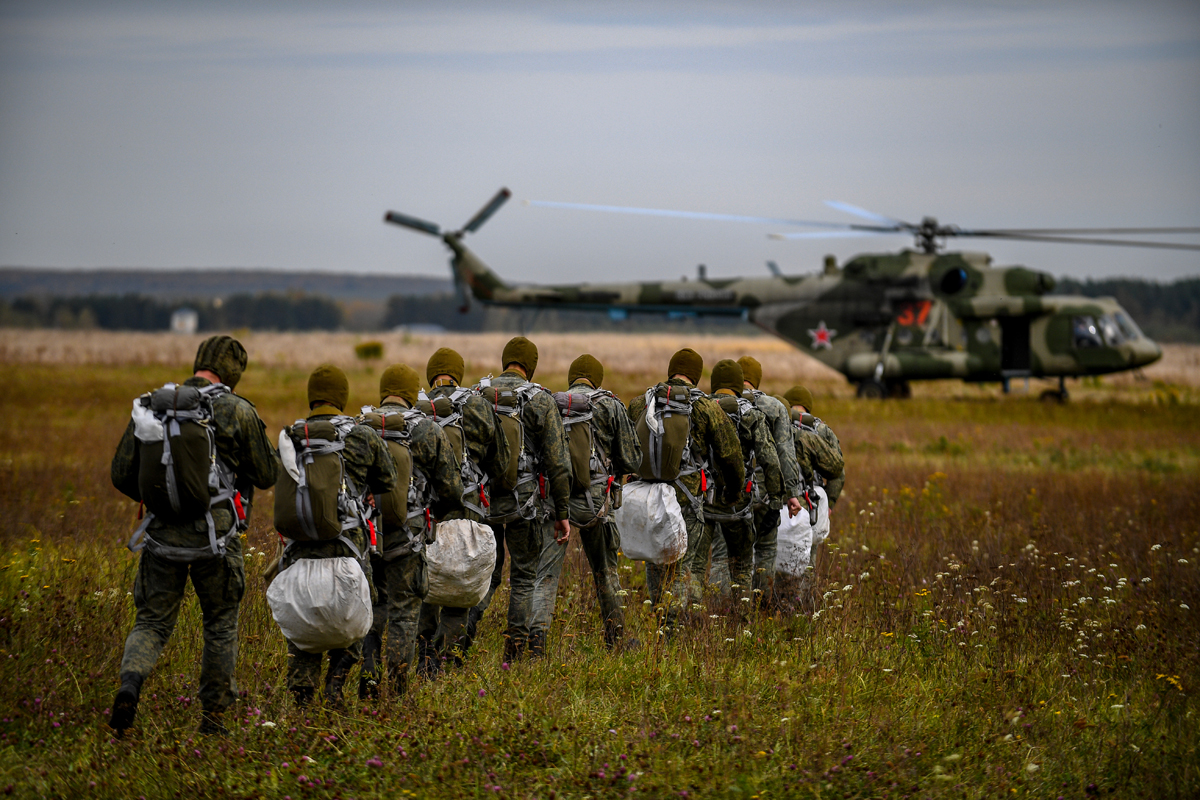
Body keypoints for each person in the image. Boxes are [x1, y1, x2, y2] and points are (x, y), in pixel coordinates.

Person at [109, 335, 278, 736]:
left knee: (150, 621)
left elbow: (120, 474)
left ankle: (130, 684)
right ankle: (213, 719)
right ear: (234, 371)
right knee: (219, 623)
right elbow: (268, 474)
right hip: (216, 540)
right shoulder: (237, 410)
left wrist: (161, 499)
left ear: (199, 361)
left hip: (161, 534)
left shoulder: (153, 405)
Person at [279, 364, 397, 708]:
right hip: (349, 549)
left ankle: (302, 695)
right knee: (357, 617)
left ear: (311, 396)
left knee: (303, 623)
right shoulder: (361, 435)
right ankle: (335, 683)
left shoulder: (291, 436)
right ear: (343, 397)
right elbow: (387, 480)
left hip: (300, 549)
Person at [359, 364, 464, 699]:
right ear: (411, 393)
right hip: (409, 537)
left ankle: (369, 686)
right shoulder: (428, 430)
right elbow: (451, 489)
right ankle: (400, 690)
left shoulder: (361, 428)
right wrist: (431, 516)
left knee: (372, 611)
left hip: (367, 537)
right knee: (405, 613)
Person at [626, 348, 743, 634]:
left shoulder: (642, 402)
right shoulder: (705, 407)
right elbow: (730, 455)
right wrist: (733, 492)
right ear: (696, 374)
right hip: (687, 501)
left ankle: (662, 619)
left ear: (671, 369)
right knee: (683, 568)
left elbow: (626, 448)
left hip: (648, 497)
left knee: (656, 563)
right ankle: (675, 632)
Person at [470, 337, 572, 662]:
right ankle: (513, 654)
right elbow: (558, 463)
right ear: (531, 365)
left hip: (482, 504)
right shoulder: (541, 400)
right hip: (523, 506)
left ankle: (458, 642)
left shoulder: (476, 395)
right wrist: (562, 513)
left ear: (505, 361)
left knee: (486, 574)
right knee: (525, 578)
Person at [532, 354, 643, 650]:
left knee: (545, 577)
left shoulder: (551, 404)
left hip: (556, 502)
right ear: (597, 378)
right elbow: (632, 458)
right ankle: (616, 638)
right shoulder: (611, 405)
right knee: (606, 573)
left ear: (571, 378)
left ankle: (535, 644)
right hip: (599, 504)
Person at [414, 347, 511, 671]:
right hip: (469, 510)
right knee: (461, 587)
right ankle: (447, 658)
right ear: (459, 373)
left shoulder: (417, 409)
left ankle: (422, 655)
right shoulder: (478, 405)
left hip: (425, 515)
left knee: (428, 584)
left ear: (432, 375)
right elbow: (500, 462)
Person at [693, 360, 783, 608]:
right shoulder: (752, 415)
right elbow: (771, 461)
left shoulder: (698, 409)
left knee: (696, 566)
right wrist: (775, 501)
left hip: (703, 504)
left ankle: (692, 618)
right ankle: (741, 619)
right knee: (742, 566)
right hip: (739, 506)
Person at [737, 356, 805, 603]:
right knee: (765, 550)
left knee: (728, 555)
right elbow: (786, 454)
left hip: (730, 495)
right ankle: (762, 607)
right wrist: (792, 495)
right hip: (767, 494)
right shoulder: (775, 407)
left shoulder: (718, 403)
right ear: (757, 379)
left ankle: (726, 611)